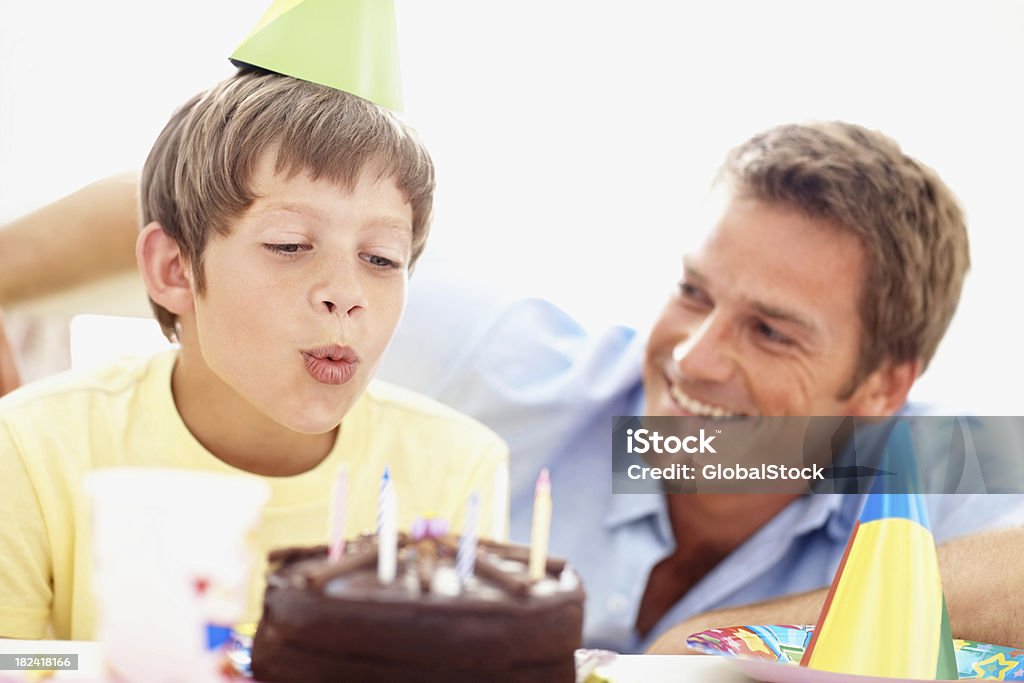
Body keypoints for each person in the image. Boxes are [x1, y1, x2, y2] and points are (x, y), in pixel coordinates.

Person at [3, 121, 1022, 651]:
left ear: (884, 384)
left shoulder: (922, 453)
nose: (695, 355)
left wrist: (724, 640)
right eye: (691, 290)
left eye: (771, 329)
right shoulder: (528, 371)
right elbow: (196, 200)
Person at [0, 68, 508, 640]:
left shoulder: (459, 466)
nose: (347, 294)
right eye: (289, 245)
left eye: (383, 259)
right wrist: (102, 667)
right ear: (175, 269)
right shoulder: (29, 445)